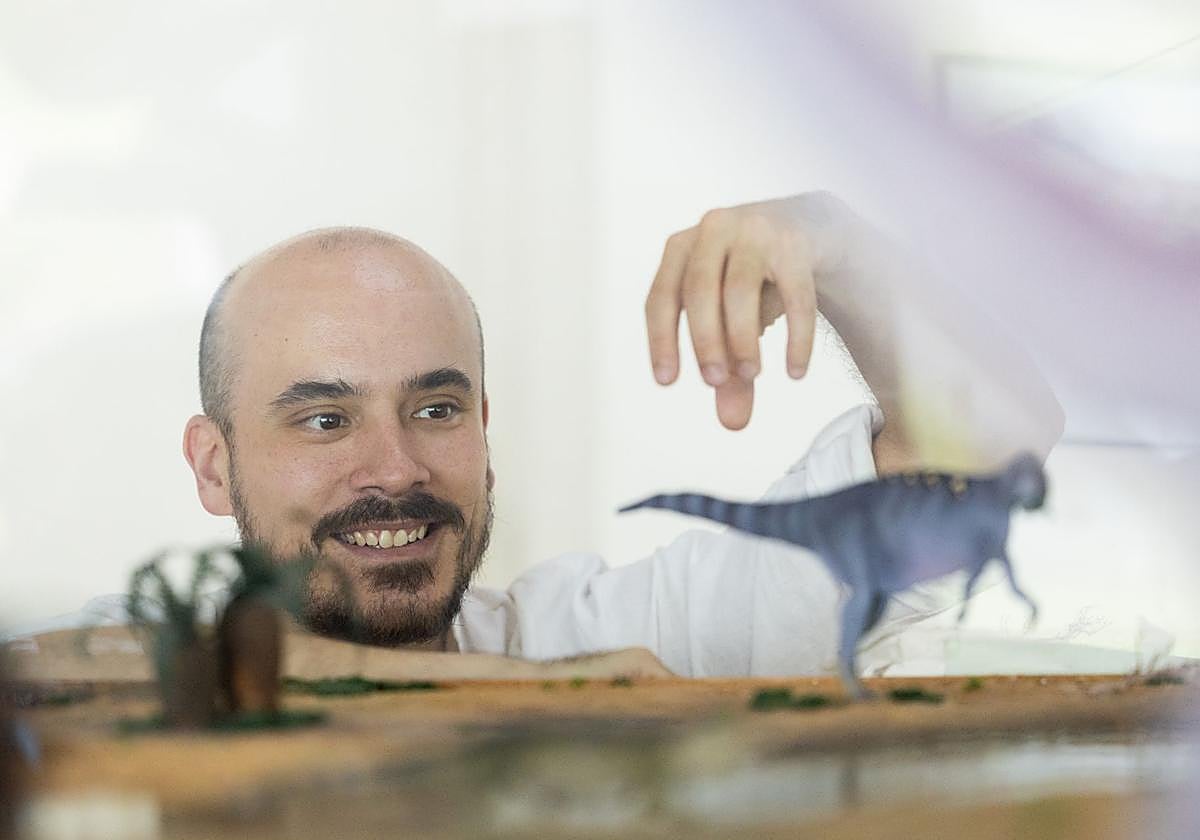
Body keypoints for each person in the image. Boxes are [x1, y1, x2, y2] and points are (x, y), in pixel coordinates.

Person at [180, 192, 1063, 677]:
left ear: (484, 430)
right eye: (325, 420)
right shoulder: (146, 664)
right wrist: (544, 696)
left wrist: (838, 244)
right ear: (215, 467)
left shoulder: (610, 633)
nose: (396, 468)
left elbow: (991, 441)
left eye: (436, 409)